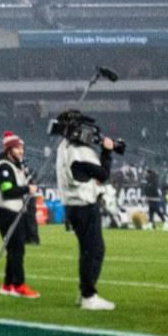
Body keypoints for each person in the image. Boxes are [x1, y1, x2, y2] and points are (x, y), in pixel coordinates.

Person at [52, 110, 119, 310]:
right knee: (95, 250)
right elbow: (102, 175)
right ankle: (89, 295)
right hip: (83, 205)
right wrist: (107, 152)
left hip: (72, 205)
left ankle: (84, 292)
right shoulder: (79, 152)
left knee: (87, 250)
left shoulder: (64, 147)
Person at [0, 132, 39, 299]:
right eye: (18, 148)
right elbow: (7, 191)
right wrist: (27, 189)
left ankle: (8, 284)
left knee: (14, 249)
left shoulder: (15, 165)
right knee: (17, 249)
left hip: (14, 211)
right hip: (6, 211)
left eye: (21, 147)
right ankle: (19, 285)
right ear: (9, 149)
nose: (21, 151)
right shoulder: (4, 166)